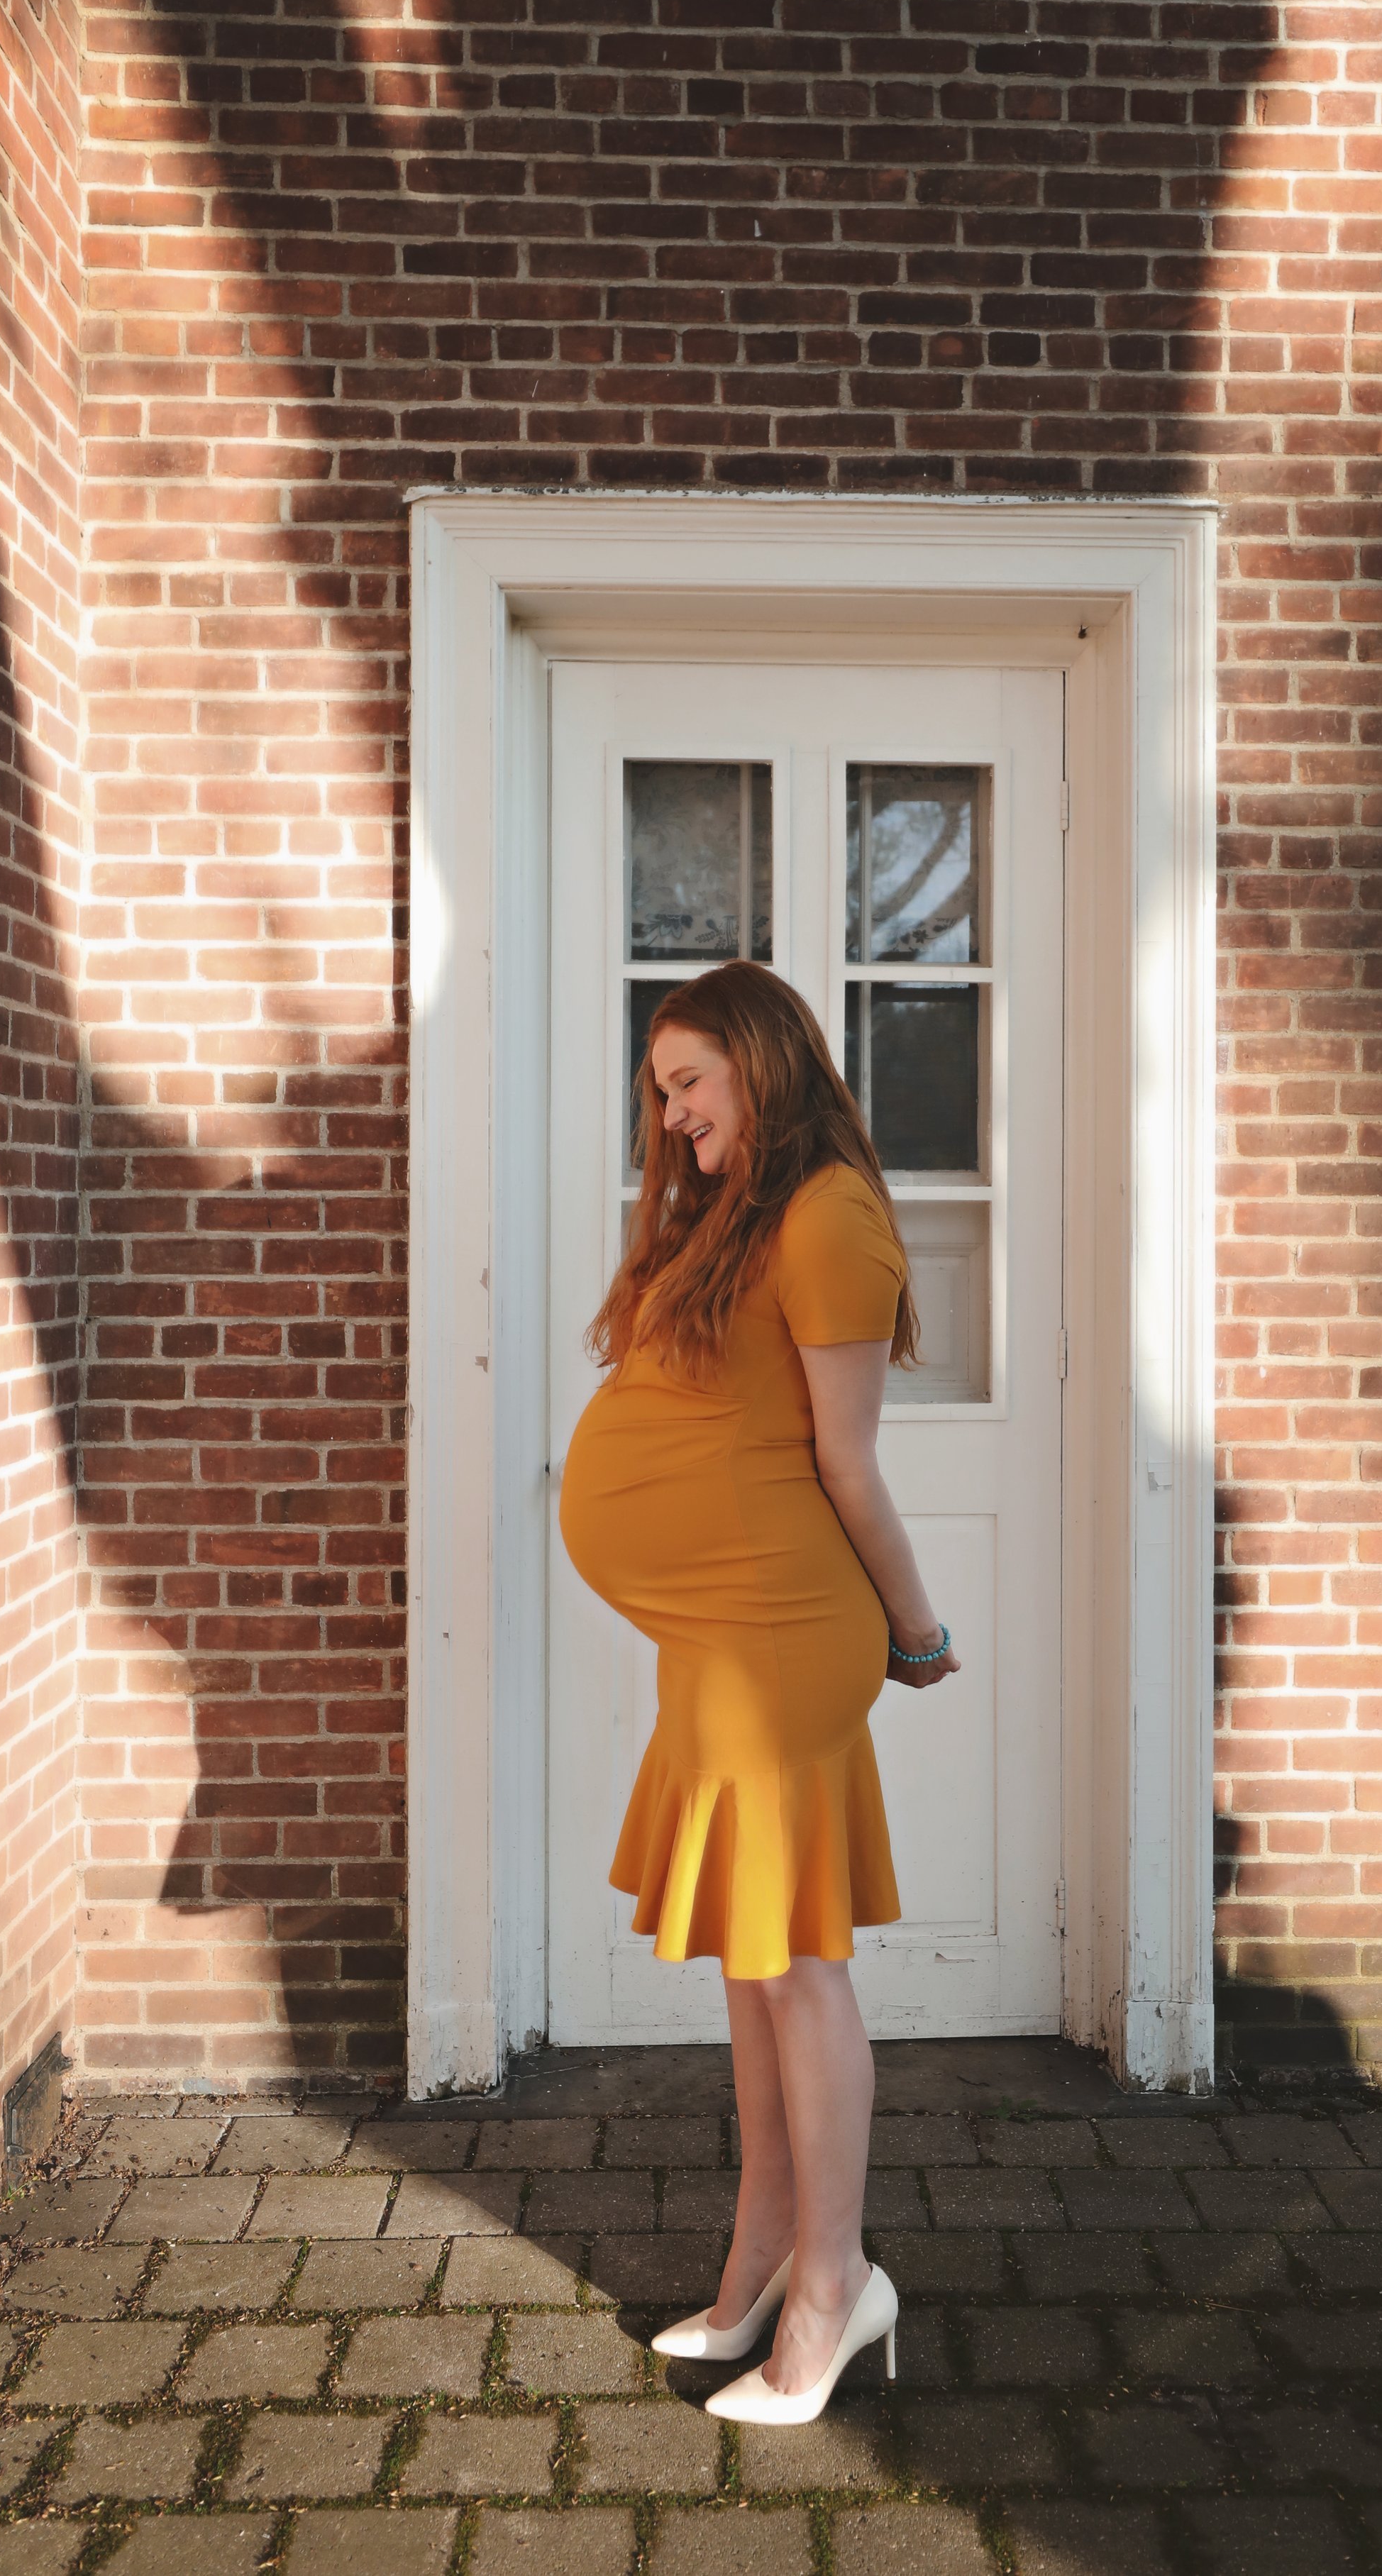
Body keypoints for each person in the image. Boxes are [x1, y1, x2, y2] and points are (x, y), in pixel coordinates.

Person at [558, 960, 961, 2424]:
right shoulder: (739, 1210)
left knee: (795, 1968)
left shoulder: (830, 1214)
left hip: (781, 1630)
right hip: (719, 1634)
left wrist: (915, 1629)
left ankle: (833, 2289)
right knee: (751, 1957)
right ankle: (761, 2258)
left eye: (688, 1083)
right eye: (659, 1092)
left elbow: (848, 1459)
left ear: (760, 1061)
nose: (669, 1115)